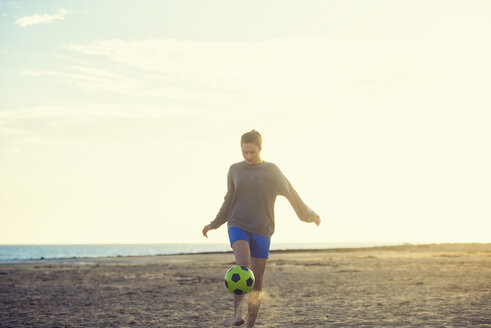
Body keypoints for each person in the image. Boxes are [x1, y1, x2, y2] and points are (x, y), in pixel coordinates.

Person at [202, 130, 321, 327]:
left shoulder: (272, 170)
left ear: (260, 149)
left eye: (252, 152)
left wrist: (309, 214)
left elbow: (291, 193)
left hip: (262, 229)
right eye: (245, 152)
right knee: (242, 263)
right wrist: (215, 223)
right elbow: (229, 198)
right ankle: (237, 313)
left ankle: (251, 323)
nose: (248, 156)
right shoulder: (234, 170)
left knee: (257, 281)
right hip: (237, 223)